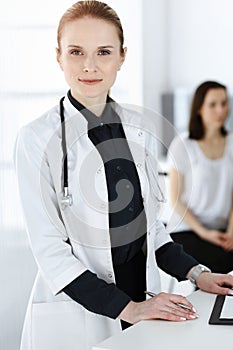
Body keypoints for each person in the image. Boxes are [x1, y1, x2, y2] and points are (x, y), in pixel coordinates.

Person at [14, 3, 233, 350]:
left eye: (104, 51)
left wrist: (198, 274)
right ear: (58, 56)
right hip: (82, 316)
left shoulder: (140, 128)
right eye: (76, 52)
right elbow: (51, 253)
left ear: (122, 56)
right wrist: (131, 308)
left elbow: (151, 229)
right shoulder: (37, 139)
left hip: (142, 310)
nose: (90, 65)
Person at [168, 80, 233, 273]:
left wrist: (231, 231)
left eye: (224, 103)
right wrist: (204, 233)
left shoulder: (231, 143)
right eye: (212, 104)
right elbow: (175, 201)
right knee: (217, 263)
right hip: (188, 229)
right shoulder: (183, 145)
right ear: (199, 109)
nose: (220, 110)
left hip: (222, 229)